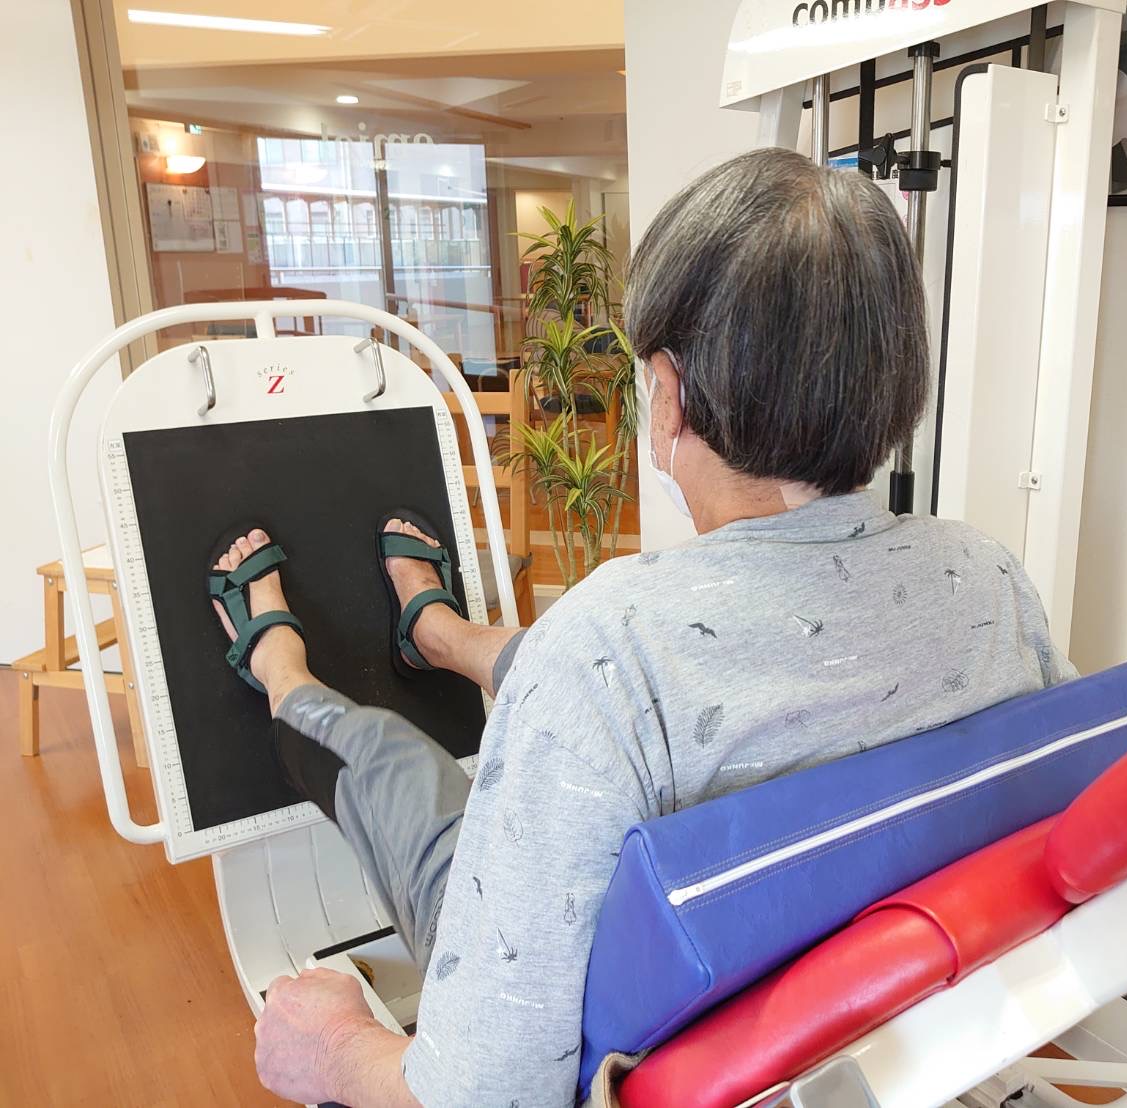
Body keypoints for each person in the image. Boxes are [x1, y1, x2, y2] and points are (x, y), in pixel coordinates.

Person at [217, 147, 1076, 1108]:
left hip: (667, 1033)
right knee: (589, 689)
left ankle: (284, 670)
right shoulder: (987, 578)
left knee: (398, 773)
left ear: (668, 392)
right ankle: (446, 638)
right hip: (901, 1012)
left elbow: (478, 1096)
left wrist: (334, 1046)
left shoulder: (608, 642)